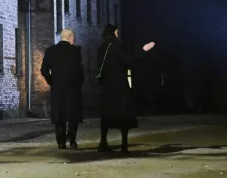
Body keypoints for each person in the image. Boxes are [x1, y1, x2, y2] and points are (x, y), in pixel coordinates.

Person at [96, 24, 155, 153]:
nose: (118, 35)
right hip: (119, 84)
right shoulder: (117, 47)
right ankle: (123, 143)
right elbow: (128, 60)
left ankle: (103, 142)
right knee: (123, 114)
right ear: (113, 33)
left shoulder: (101, 49)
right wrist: (143, 50)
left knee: (106, 114)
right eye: (117, 32)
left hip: (106, 86)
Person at [40, 28, 84, 149]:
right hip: (72, 88)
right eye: (73, 37)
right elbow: (79, 71)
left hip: (57, 88)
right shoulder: (75, 51)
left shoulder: (50, 51)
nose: (74, 40)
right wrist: (79, 82)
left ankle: (61, 142)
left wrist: (51, 81)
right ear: (69, 37)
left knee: (59, 116)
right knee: (73, 115)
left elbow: (43, 70)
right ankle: (72, 141)